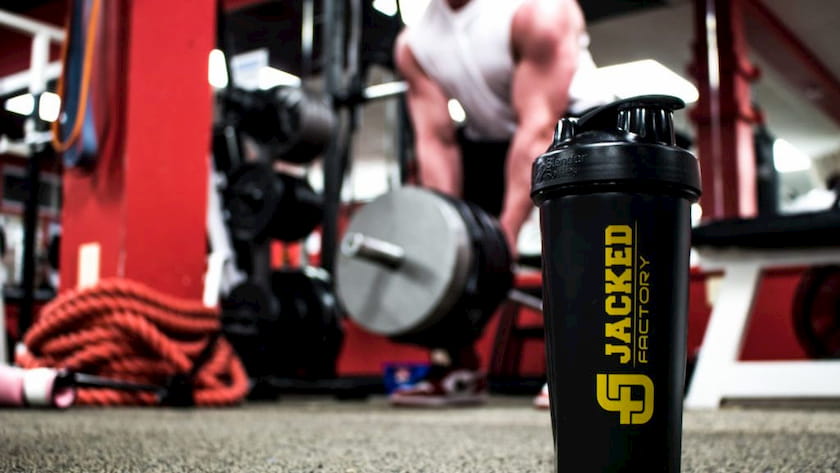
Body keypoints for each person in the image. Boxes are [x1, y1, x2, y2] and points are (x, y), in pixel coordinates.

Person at [390, 0, 613, 407]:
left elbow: (539, 124)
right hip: (490, 140)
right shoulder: (413, 44)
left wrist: (503, 235)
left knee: (583, 236)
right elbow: (435, 141)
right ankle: (458, 367)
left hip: (578, 125)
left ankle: (588, 366)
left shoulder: (537, 13)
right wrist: (450, 236)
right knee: (444, 243)